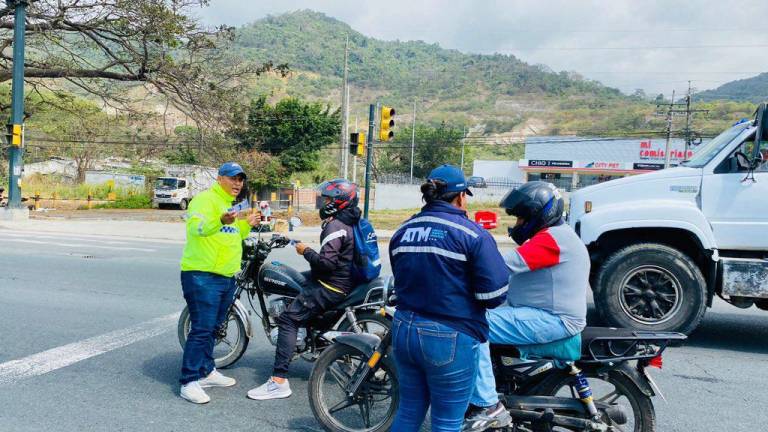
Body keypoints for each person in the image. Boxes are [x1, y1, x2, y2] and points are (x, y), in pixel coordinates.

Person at [389, 164, 510, 432]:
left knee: (408, 413)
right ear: (460, 197)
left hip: (403, 330)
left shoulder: (402, 231)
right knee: (446, 422)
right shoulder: (472, 234)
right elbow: (494, 296)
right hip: (449, 337)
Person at [463, 181, 590, 431]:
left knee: (472, 326)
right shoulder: (552, 236)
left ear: (537, 215)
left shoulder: (552, 240)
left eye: (521, 218)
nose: (517, 224)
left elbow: (499, 265)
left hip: (553, 319)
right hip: (541, 313)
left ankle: (488, 406)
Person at [247, 178, 362, 400]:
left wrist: (305, 250)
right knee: (297, 283)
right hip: (342, 279)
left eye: (328, 198)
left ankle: (278, 381)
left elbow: (326, 263)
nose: (324, 201)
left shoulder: (335, 226)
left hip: (332, 284)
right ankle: (309, 333)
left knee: (289, 319)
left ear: (339, 201)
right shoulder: (349, 220)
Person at [179, 162, 259, 404]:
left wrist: (248, 224)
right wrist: (221, 220)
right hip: (202, 275)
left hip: (226, 276)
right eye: (233, 178)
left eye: (241, 179)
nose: (238, 184)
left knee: (215, 328)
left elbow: (234, 235)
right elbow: (197, 228)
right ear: (220, 178)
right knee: (202, 329)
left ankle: (207, 370)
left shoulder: (229, 205)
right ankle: (189, 380)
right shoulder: (204, 200)